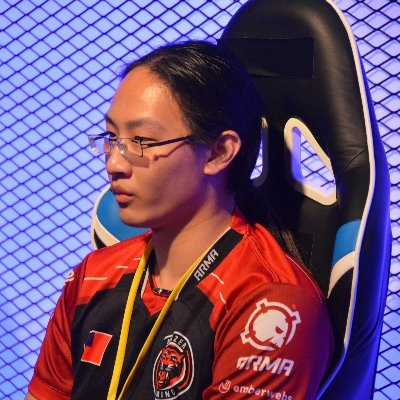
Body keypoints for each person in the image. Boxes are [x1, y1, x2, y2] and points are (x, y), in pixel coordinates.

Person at [26, 41, 333, 400]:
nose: (114, 163)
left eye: (141, 140)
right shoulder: (92, 276)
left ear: (218, 152)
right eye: (111, 137)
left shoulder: (270, 302)